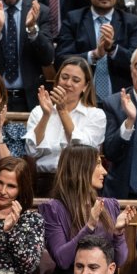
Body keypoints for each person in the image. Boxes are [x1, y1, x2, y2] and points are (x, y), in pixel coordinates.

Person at [41, 144, 133, 274]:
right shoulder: (53, 209)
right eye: (97, 164)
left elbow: (120, 260)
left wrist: (118, 233)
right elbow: (63, 260)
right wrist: (89, 226)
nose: (104, 171)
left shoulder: (110, 205)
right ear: (80, 169)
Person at [57, 0, 137, 98]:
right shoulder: (73, 19)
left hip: (121, 99)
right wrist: (94, 55)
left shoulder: (131, 22)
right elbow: (61, 59)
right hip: (80, 98)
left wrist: (112, 49)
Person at [24, 57, 107, 191]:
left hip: (80, 183)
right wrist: (46, 115)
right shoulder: (39, 111)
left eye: (75, 80)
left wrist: (62, 111)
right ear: (57, 81)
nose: (68, 83)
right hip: (45, 182)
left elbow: (84, 151)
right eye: (64, 77)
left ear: (85, 86)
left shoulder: (96, 115)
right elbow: (32, 151)